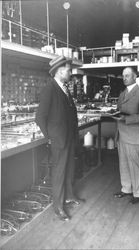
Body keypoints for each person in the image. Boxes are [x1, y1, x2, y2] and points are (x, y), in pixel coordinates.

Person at [36, 55, 80, 221]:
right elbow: (40, 117)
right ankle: (58, 207)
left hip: (68, 137)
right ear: (60, 71)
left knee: (69, 168)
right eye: (69, 70)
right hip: (59, 139)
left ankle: (69, 196)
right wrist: (50, 137)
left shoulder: (64, 88)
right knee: (59, 172)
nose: (71, 73)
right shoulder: (50, 88)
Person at [113, 67, 139, 204]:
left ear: (135, 77)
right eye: (123, 76)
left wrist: (125, 119)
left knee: (135, 164)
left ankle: (138, 192)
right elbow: (119, 111)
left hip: (134, 135)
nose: (124, 78)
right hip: (121, 133)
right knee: (123, 163)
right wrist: (115, 114)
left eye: (127, 75)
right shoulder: (122, 94)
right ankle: (126, 188)